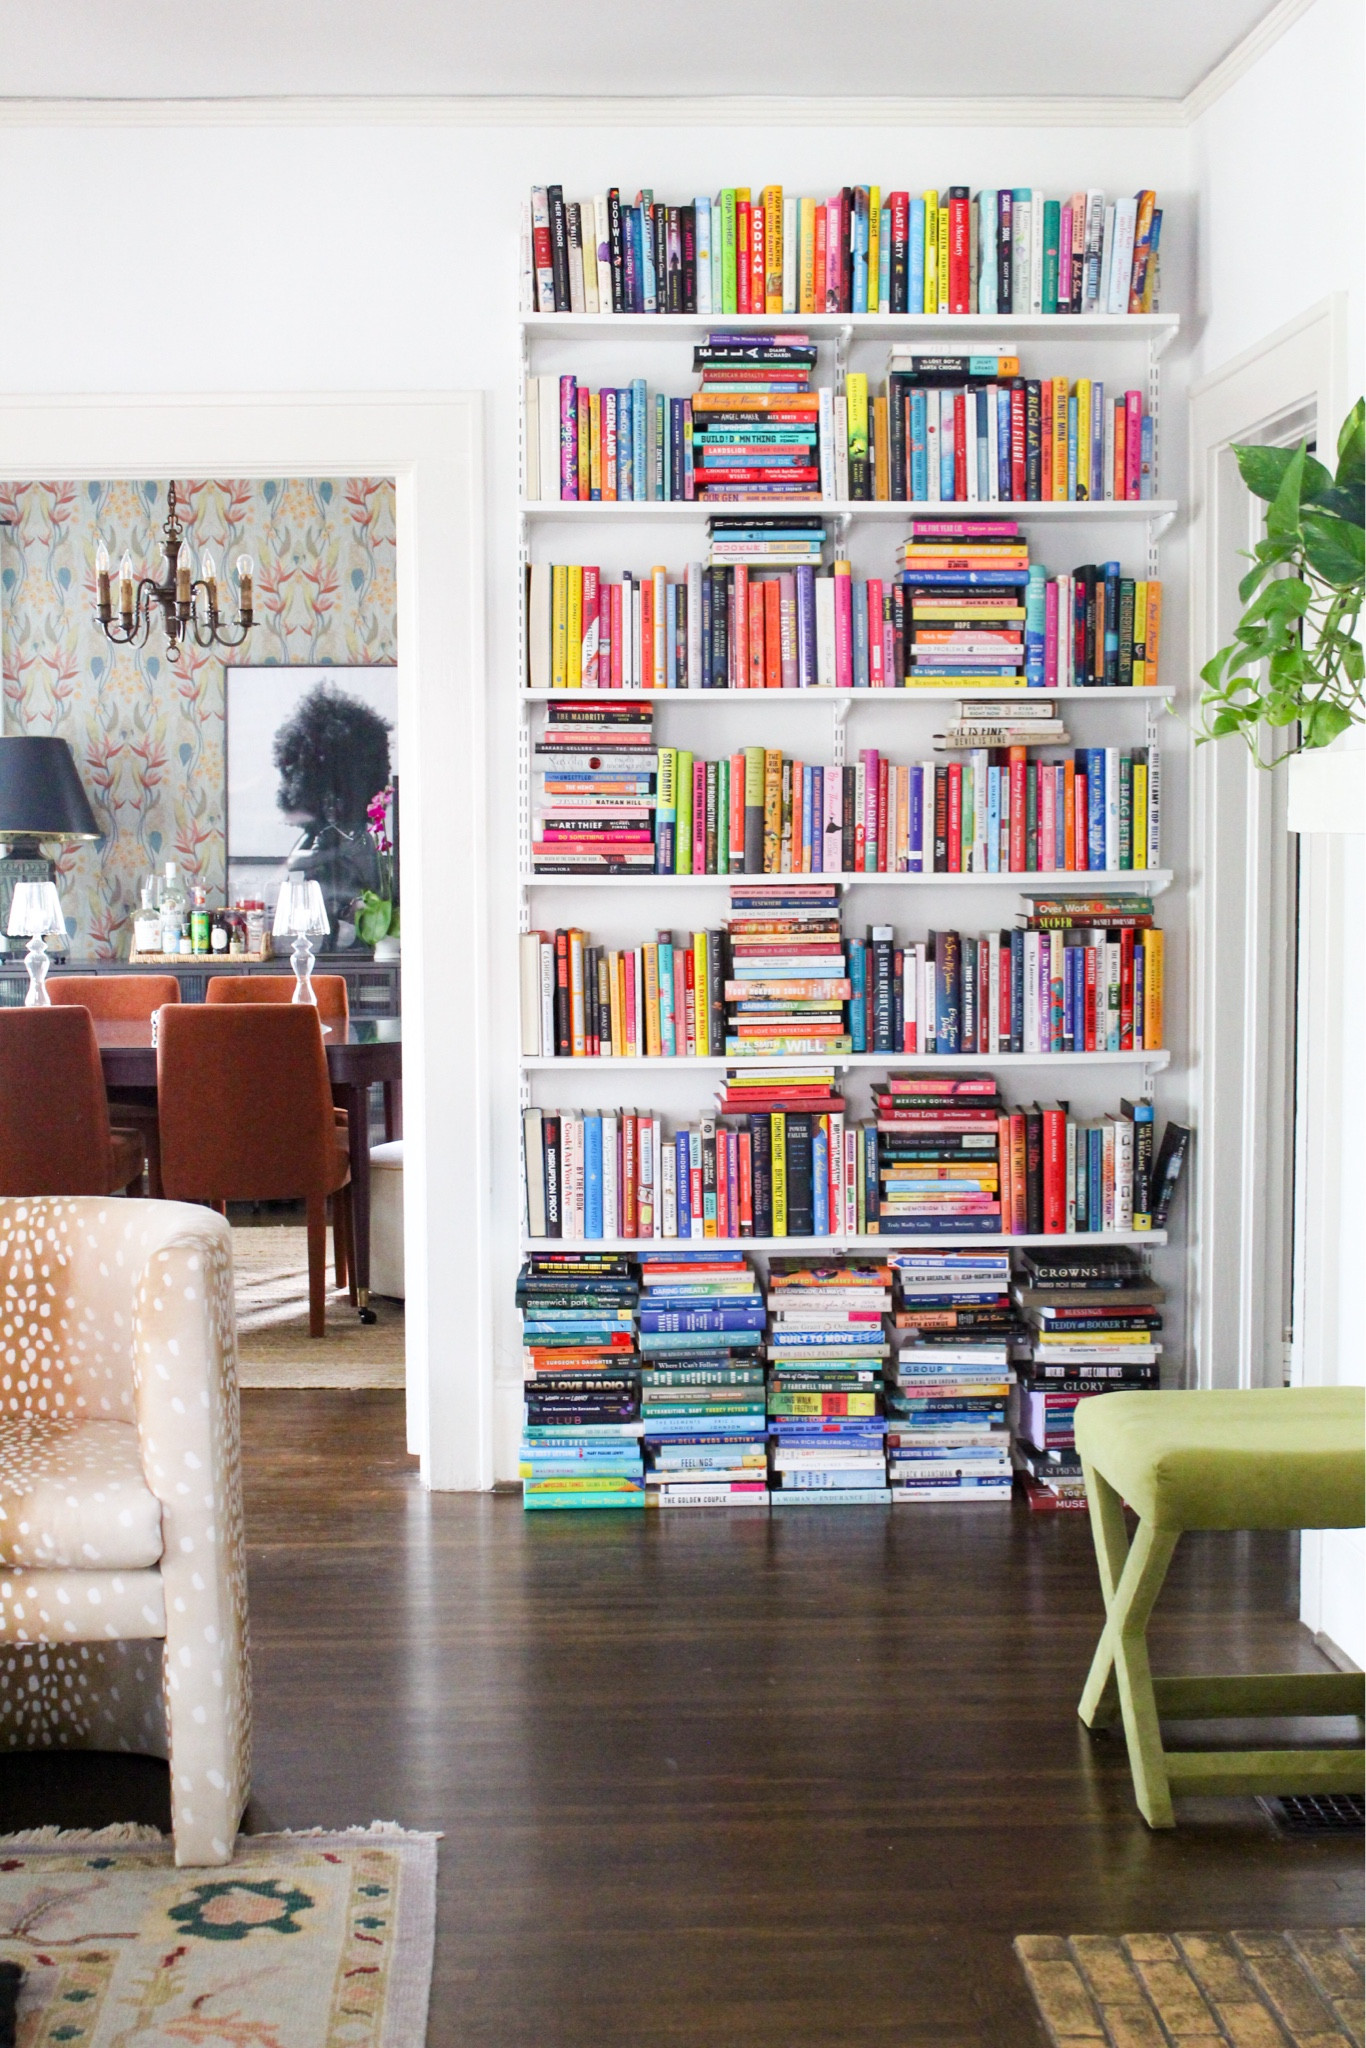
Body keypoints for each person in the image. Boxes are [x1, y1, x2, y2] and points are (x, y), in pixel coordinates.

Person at [272, 684, 392, 946]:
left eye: (340, 795)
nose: (332, 804)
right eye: (326, 796)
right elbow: (294, 864)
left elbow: (375, 882)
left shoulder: (367, 835)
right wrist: (333, 852)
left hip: (362, 921)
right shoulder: (322, 833)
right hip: (324, 919)